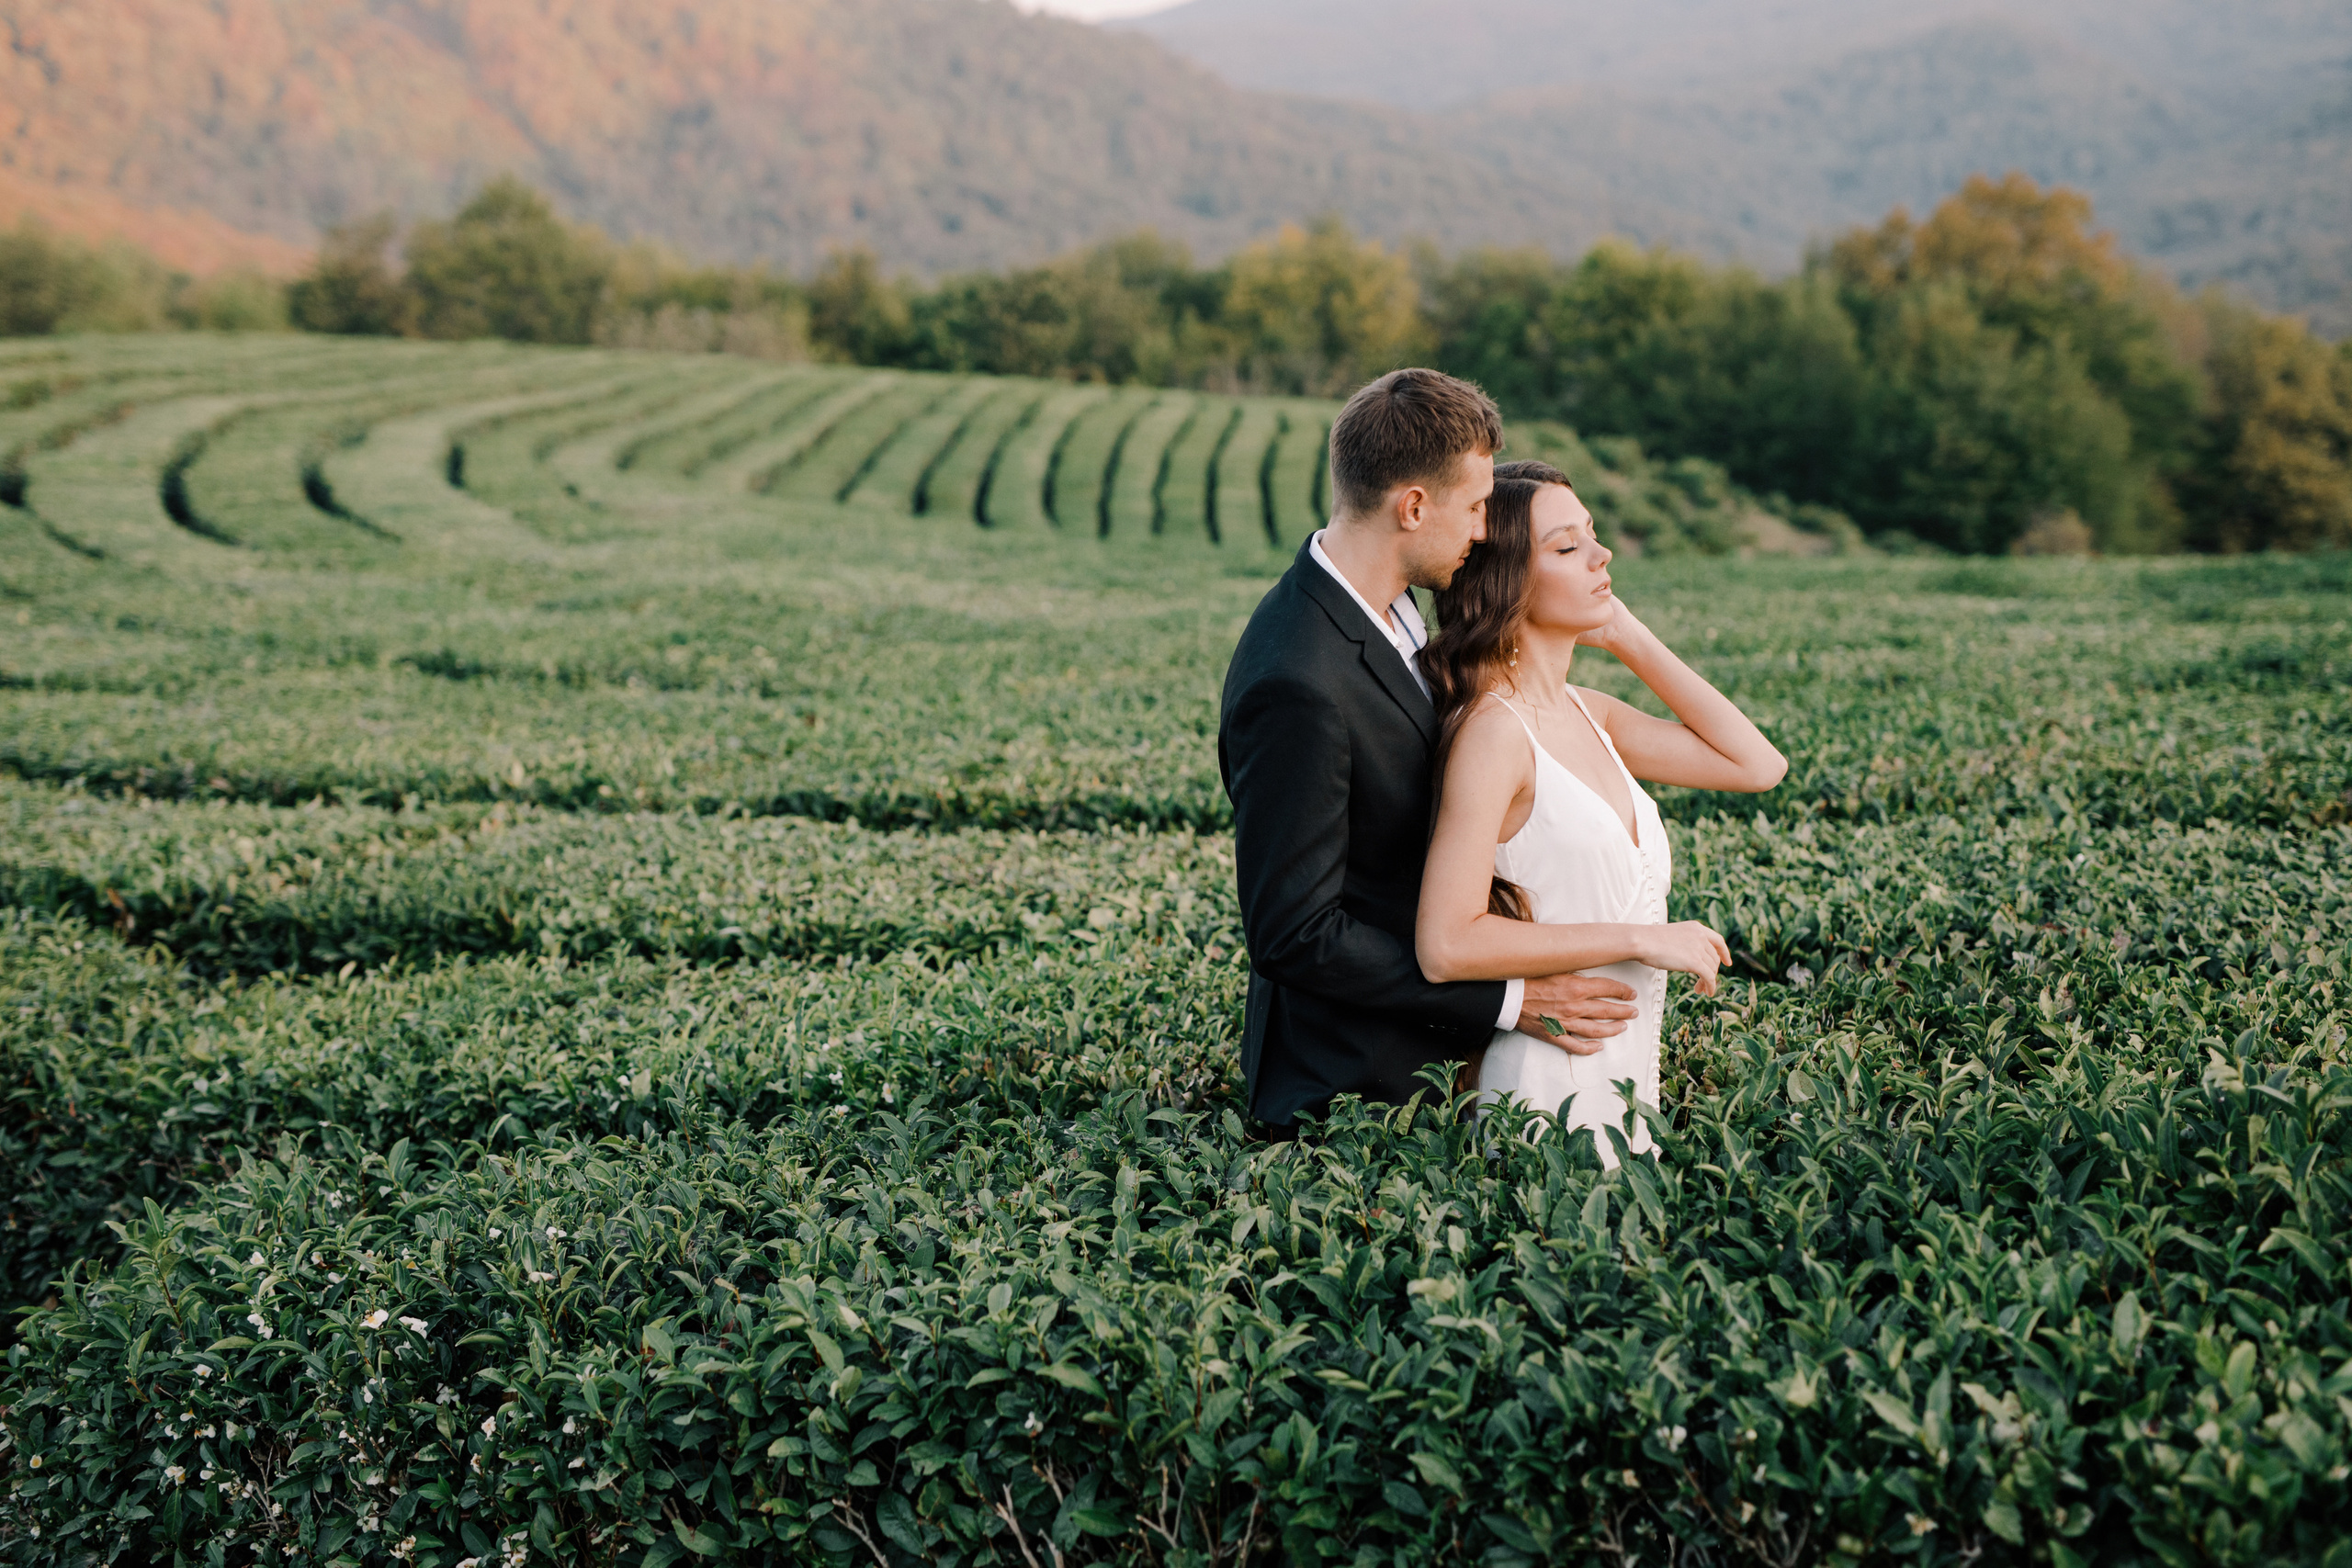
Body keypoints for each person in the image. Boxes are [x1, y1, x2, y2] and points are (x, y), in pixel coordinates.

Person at [1218, 370, 1641, 1135]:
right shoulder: (1297, 678)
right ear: (1413, 506)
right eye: (1477, 506)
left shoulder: (1402, 606)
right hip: (1358, 1098)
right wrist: (1513, 997)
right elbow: (1295, 932)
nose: (1485, 530)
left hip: (1456, 1069)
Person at [1415, 459, 1786, 1164]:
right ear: (1508, 582)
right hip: (1541, 1092)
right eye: (1567, 546)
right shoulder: (1495, 732)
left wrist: (1626, 637)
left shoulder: (1592, 715)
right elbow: (1447, 941)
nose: (1601, 553)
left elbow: (1758, 766)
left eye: (1593, 534)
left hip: (1622, 1087)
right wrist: (1643, 938)